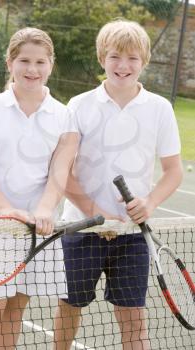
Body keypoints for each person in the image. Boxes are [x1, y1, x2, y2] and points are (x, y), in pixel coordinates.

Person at [53, 19, 183, 350]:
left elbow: (173, 171)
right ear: (101, 58)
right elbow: (61, 169)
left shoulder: (160, 109)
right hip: (82, 229)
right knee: (69, 309)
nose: (123, 66)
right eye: (114, 56)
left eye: (132, 58)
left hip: (131, 236)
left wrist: (150, 203)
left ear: (144, 61)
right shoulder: (79, 105)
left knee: (135, 322)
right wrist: (94, 212)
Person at [0, 27, 78, 350]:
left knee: (12, 318)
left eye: (40, 62)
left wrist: (44, 209)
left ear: (51, 65)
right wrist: (5, 209)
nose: (32, 69)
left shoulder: (64, 116)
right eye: (24, 60)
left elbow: (59, 174)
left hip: (35, 232)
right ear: (9, 62)